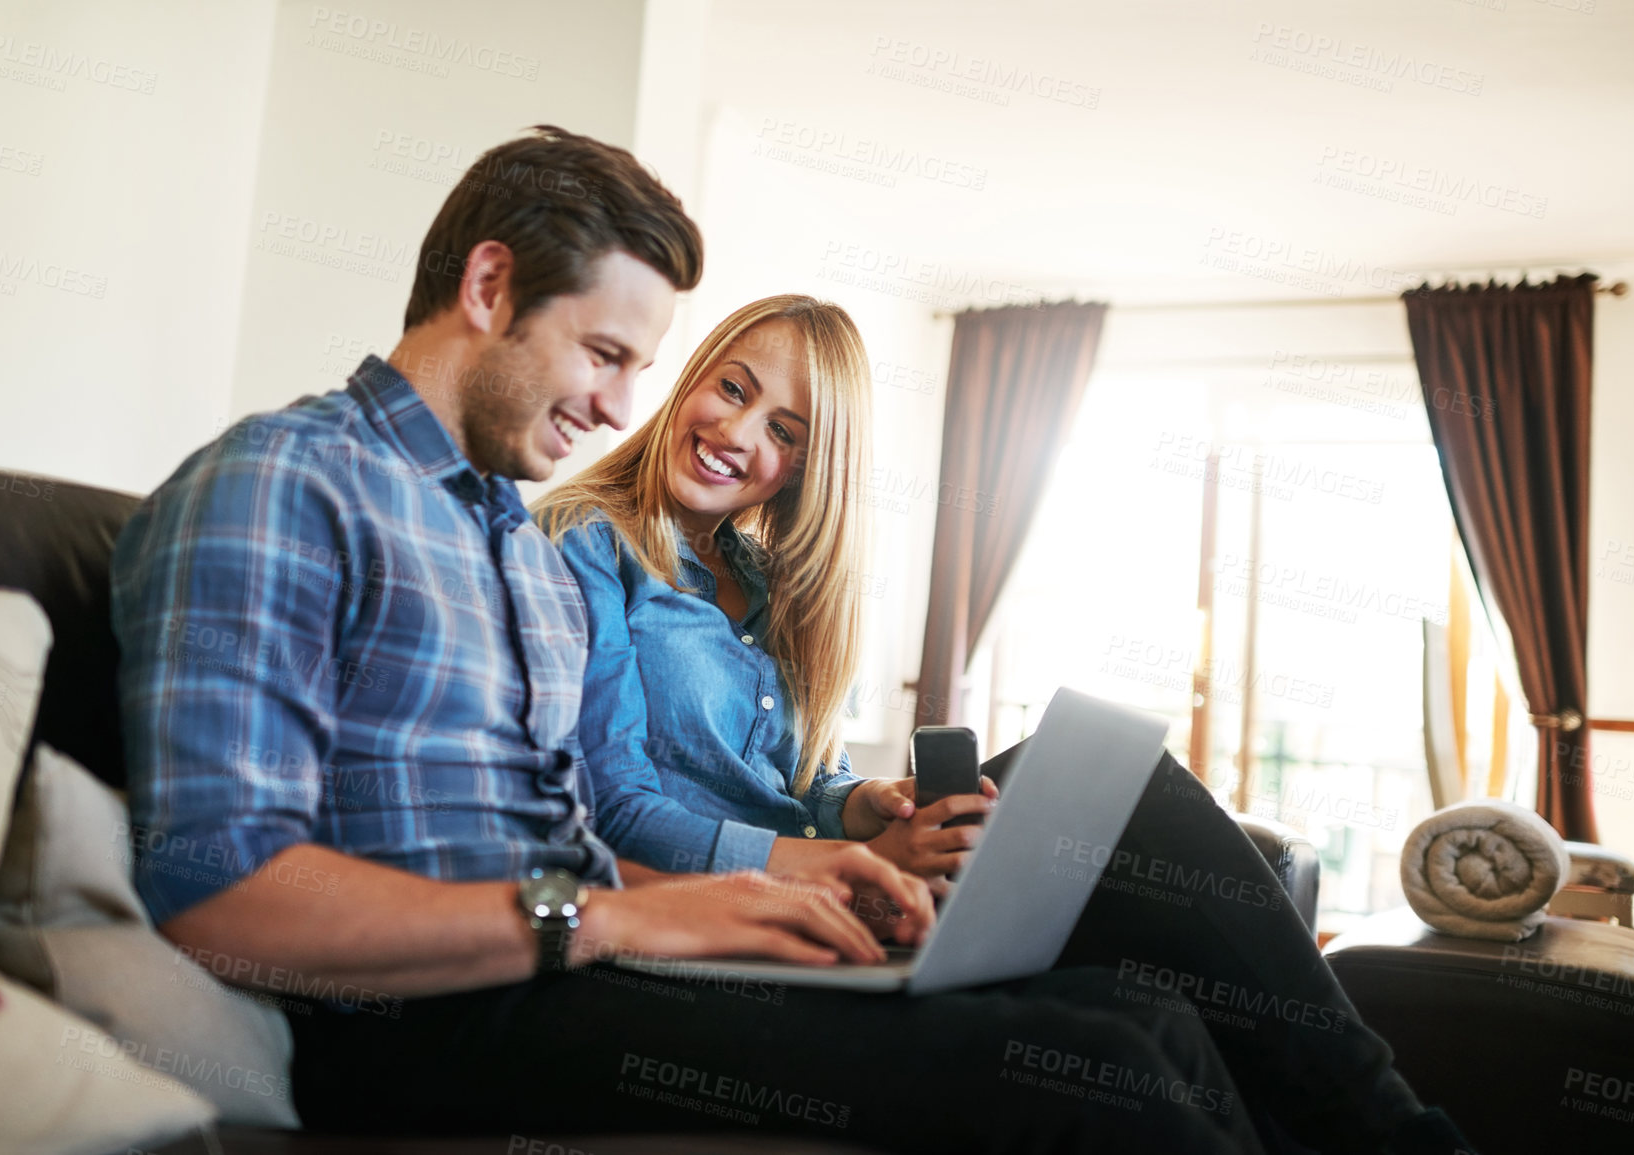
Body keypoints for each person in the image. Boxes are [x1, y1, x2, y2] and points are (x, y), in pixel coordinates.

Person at [112, 126, 1458, 1154]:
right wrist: (624, 913)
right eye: (604, 353)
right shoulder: (288, 482)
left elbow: (577, 821)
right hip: (432, 1024)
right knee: (1101, 1080)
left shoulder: (503, 538)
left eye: (642, 367)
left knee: (1132, 1017)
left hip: (578, 961)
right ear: (486, 283)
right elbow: (219, 893)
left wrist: (742, 895)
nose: (621, 405)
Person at [535, 295, 1476, 1155]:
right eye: (730, 388)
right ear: (690, 376)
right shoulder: (589, 537)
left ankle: (1388, 1133)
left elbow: (804, 785)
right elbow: (616, 806)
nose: (735, 433)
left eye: (784, 430)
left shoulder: (772, 585)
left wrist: (871, 806)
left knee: (1151, 993)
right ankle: (1404, 1138)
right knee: (1138, 809)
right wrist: (851, 863)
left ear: (805, 471)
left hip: (838, 890)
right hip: (732, 916)